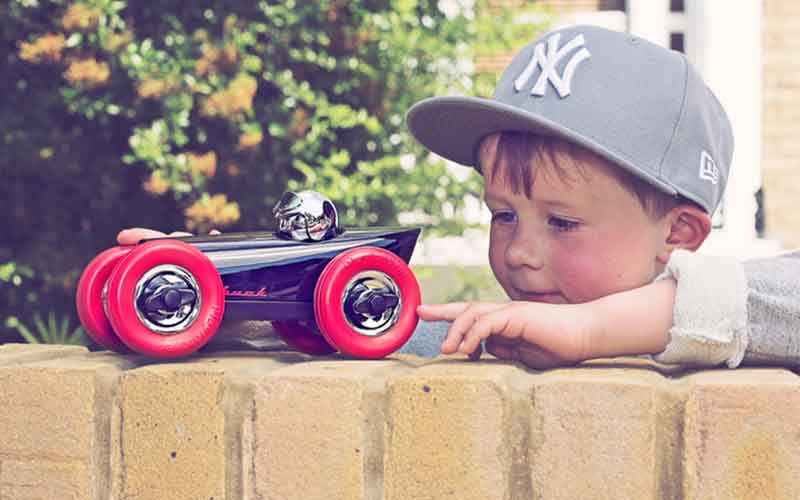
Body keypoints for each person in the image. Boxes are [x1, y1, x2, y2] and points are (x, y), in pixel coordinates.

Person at [402, 24, 800, 369]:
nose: (517, 253)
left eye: (562, 222)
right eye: (504, 215)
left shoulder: (739, 340)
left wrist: (590, 329)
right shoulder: (478, 339)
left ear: (677, 233)